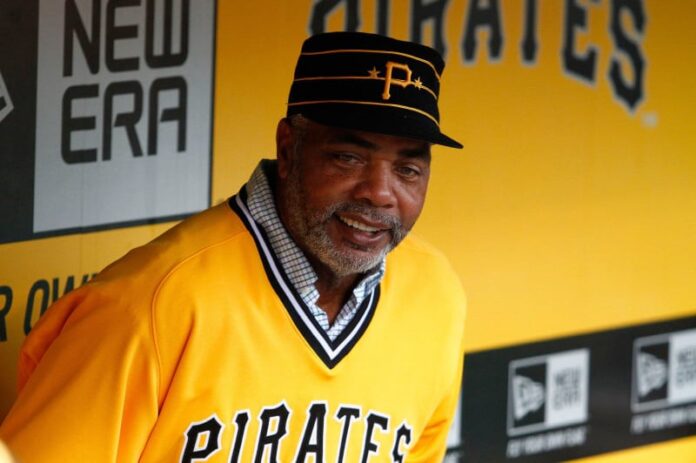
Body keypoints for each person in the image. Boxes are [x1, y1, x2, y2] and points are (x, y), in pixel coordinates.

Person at [0, 32, 466, 462]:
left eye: (407, 169)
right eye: (348, 157)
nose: (379, 193)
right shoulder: (146, 306)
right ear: (288, 148)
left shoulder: (436, 295)